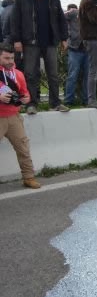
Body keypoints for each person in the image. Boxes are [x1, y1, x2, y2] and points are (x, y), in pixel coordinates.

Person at [10, 0, 69, 114]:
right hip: (30, 42)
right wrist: (16, 40)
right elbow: (14, 21)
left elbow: (62, 20)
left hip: (50, 42)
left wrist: (64, 38)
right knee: (30, 74)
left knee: (53, 74)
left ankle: (55, 103)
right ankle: (31, 104)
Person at [0, 42, 41, 188]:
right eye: (6, 58)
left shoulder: (18, 74)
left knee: (23, 148)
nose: (10, 61)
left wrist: (26, 98)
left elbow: (25, 93)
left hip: (14, 117)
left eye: (12, 58)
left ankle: (28, 177)